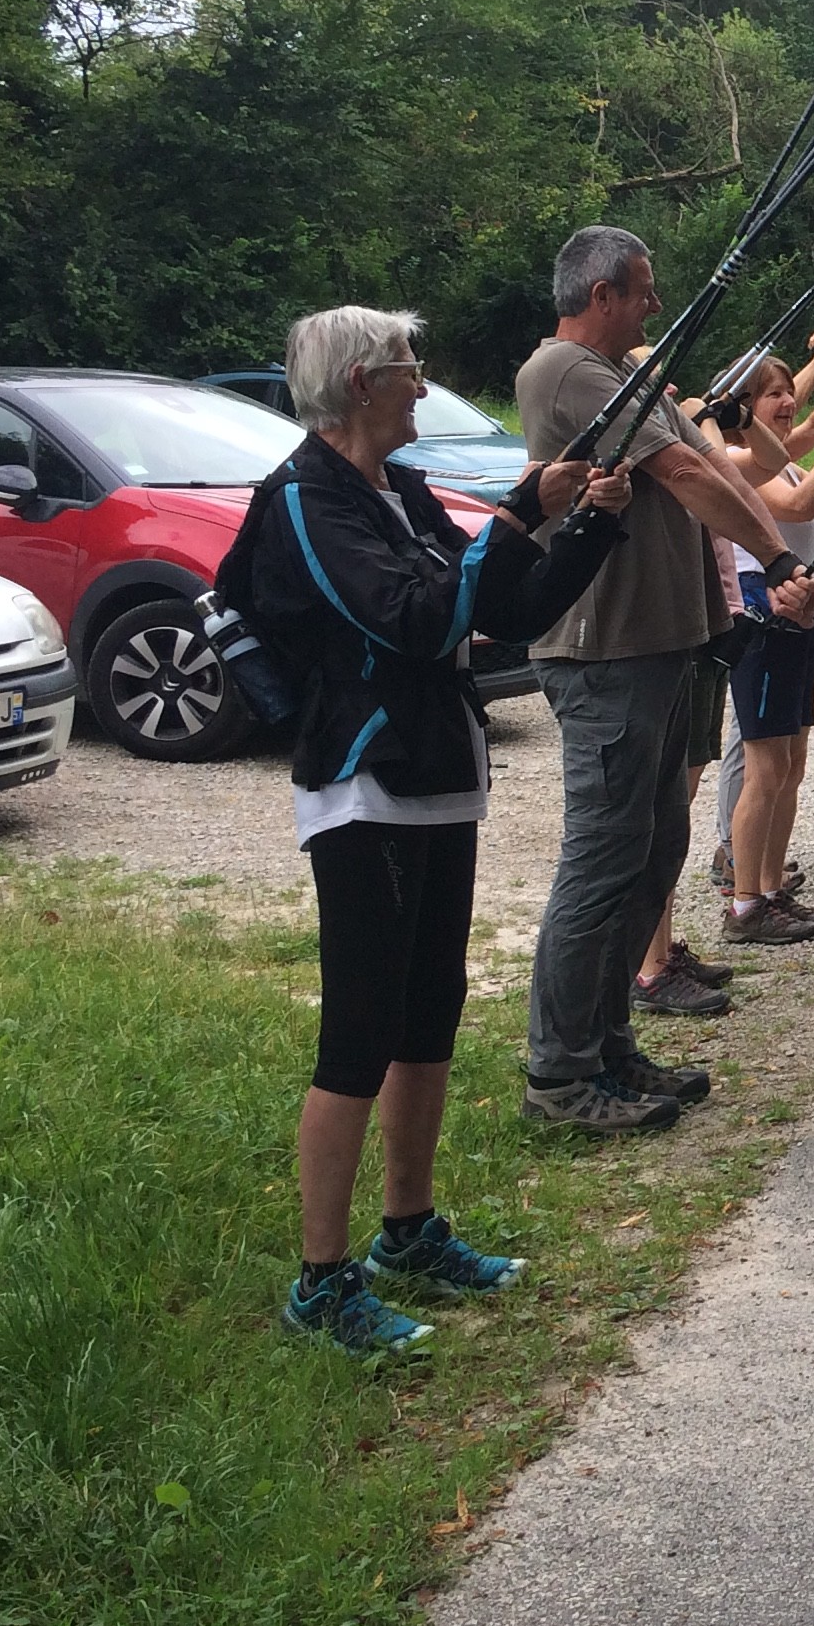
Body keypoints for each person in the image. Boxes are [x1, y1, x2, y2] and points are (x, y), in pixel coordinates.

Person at [228, 304, 629, 1357]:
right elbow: (413, 617)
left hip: (440, 777)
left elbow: (499, 612)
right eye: (411, 366)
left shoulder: (393, 490)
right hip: (363, 784)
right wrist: (509, 517)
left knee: (429, 1015)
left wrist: (582, 521)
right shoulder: (306, 503)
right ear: (362, 384)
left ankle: (407, 1231)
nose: (424, 381)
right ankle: (322, 1279)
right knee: (359, 1028)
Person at [517, 227, 814, 1130]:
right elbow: (686, 469)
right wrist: (778, 559)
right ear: (604, 292)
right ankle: (558, 1074)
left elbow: (716, 453)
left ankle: (608, 1047)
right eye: (644, 291)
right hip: (603, 653)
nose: (655, 306)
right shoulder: (567, 370)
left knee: (654, 850)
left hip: (667, 648)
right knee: (601, 859)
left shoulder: (626, 380)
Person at [719, 359, 814, 936]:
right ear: (746, 408)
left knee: (791, 763)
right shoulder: (744, 470)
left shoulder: (786, 467)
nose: (786, 402)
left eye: (789, 393)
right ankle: (744, 903)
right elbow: (802, 508)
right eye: (771, 395)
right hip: (762, 619)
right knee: (764, 766)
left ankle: (772, 886)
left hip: (801, 615)